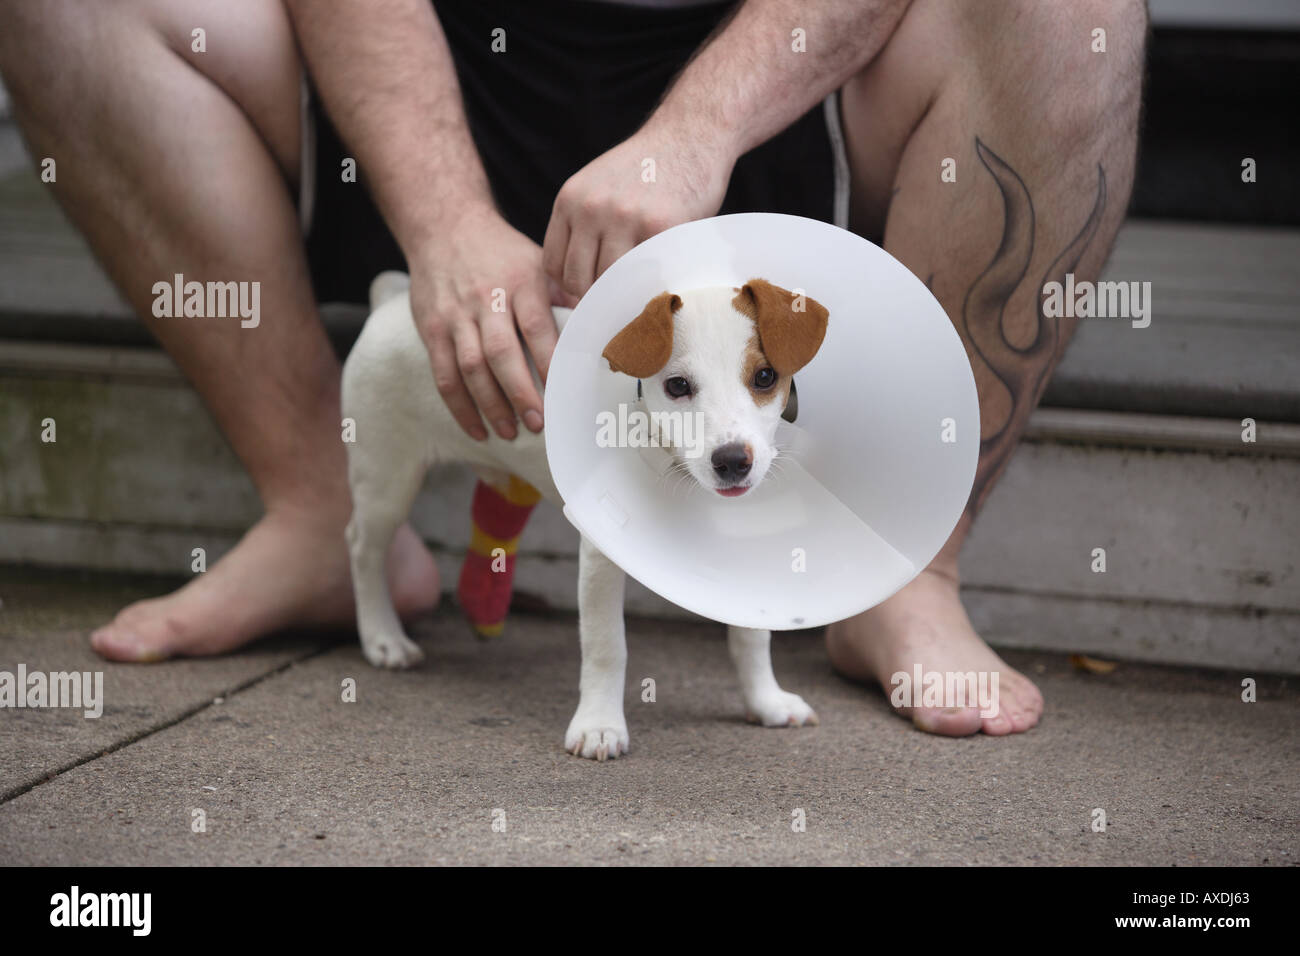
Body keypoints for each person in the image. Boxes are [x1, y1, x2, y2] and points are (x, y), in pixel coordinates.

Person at [0, 0, 1145, 736]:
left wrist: (701, 130)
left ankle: (903, 568)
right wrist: (441, 214)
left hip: (781, 79)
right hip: (416, 74)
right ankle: (318, 498)